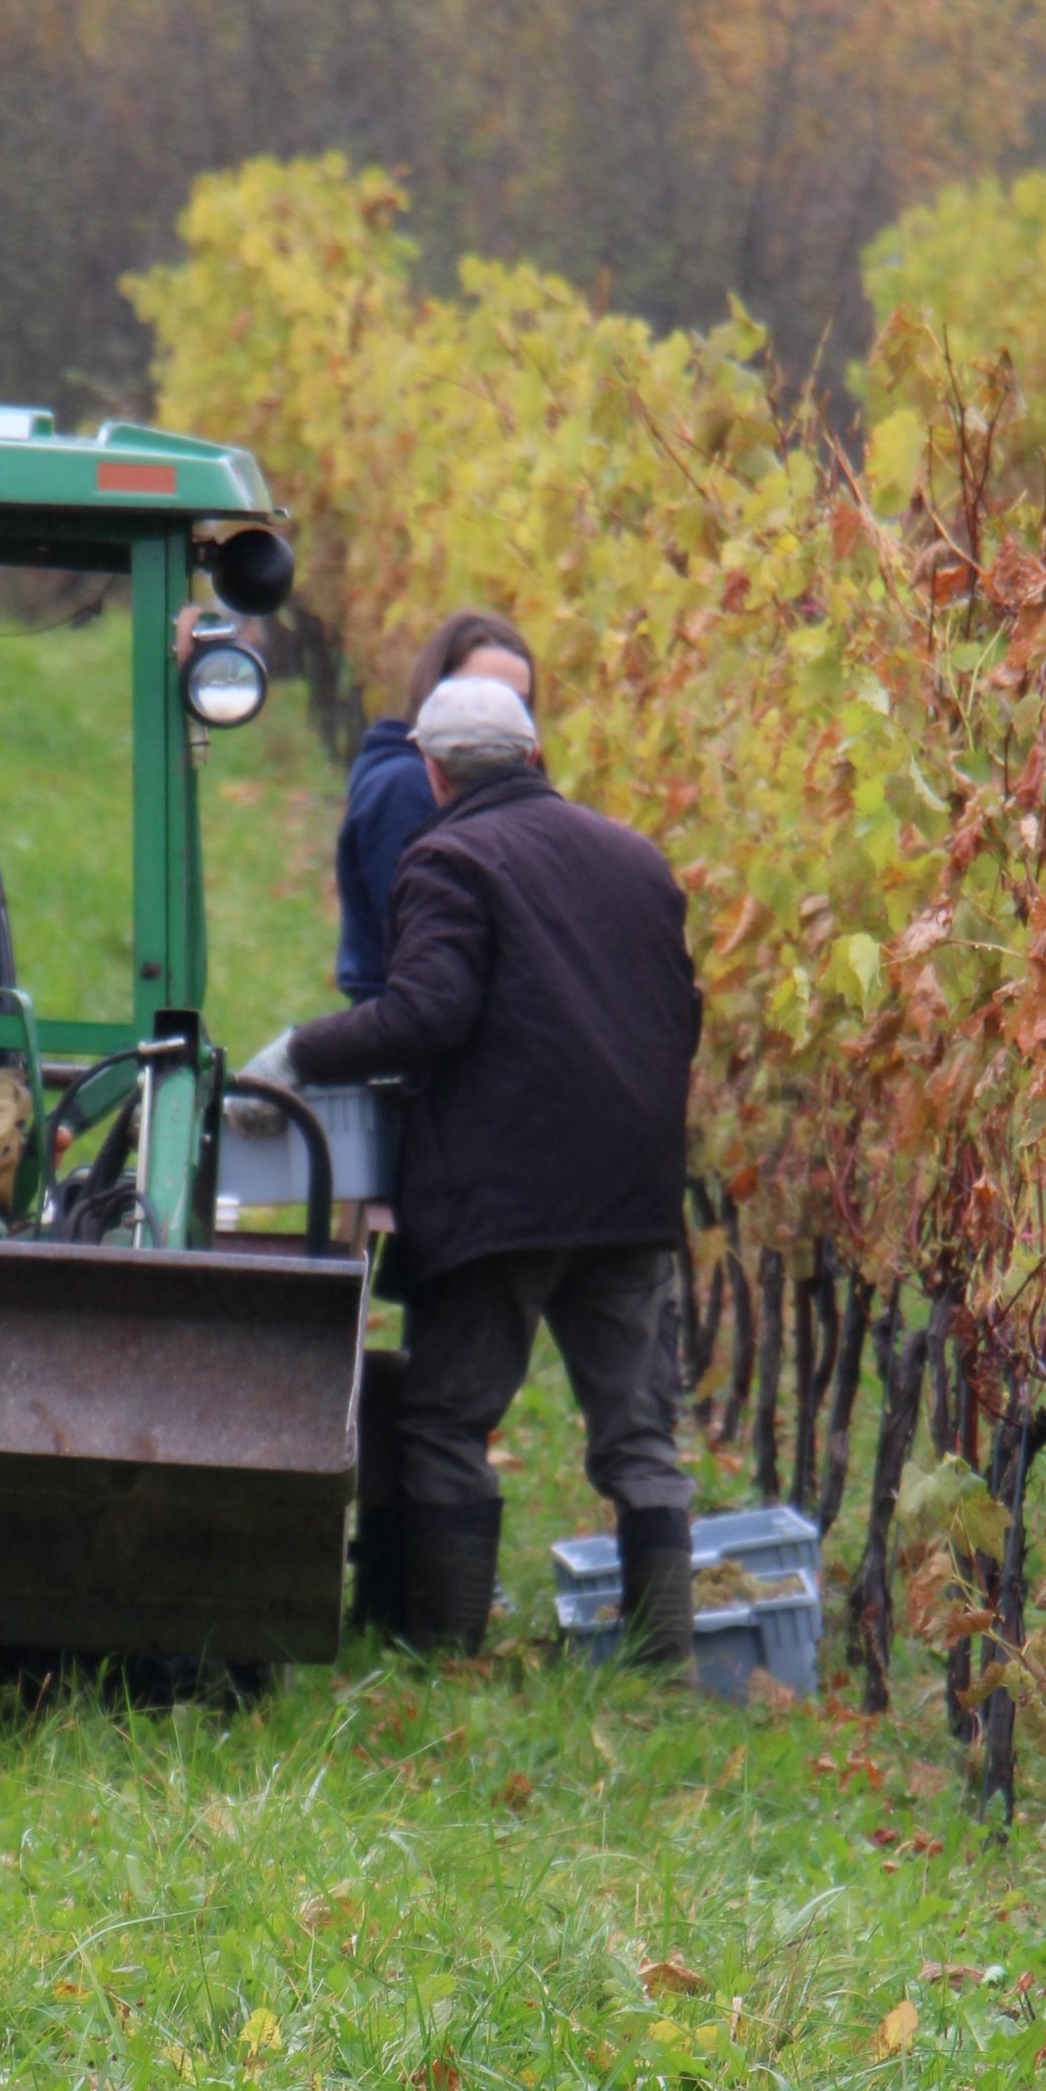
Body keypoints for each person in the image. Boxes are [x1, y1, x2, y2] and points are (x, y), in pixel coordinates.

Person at [242, 673, 701, 1664]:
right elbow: (682, 1017)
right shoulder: (637, 858)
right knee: (641, 1442)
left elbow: (427, 1013)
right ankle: (665, 1662)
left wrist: (296, 1055)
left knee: (447, 1421)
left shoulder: (446, 858)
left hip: (503, 1196)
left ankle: (443, 1651)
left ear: (433, 773)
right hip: (631, 1190)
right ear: (535, 756)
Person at [334, 609, 535, 1001]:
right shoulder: (406, 787)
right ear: (435, 692)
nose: (499, 712)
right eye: (479, 691)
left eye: (518, 703)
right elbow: (421, 952)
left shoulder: (481, 788)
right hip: (410, 1039)